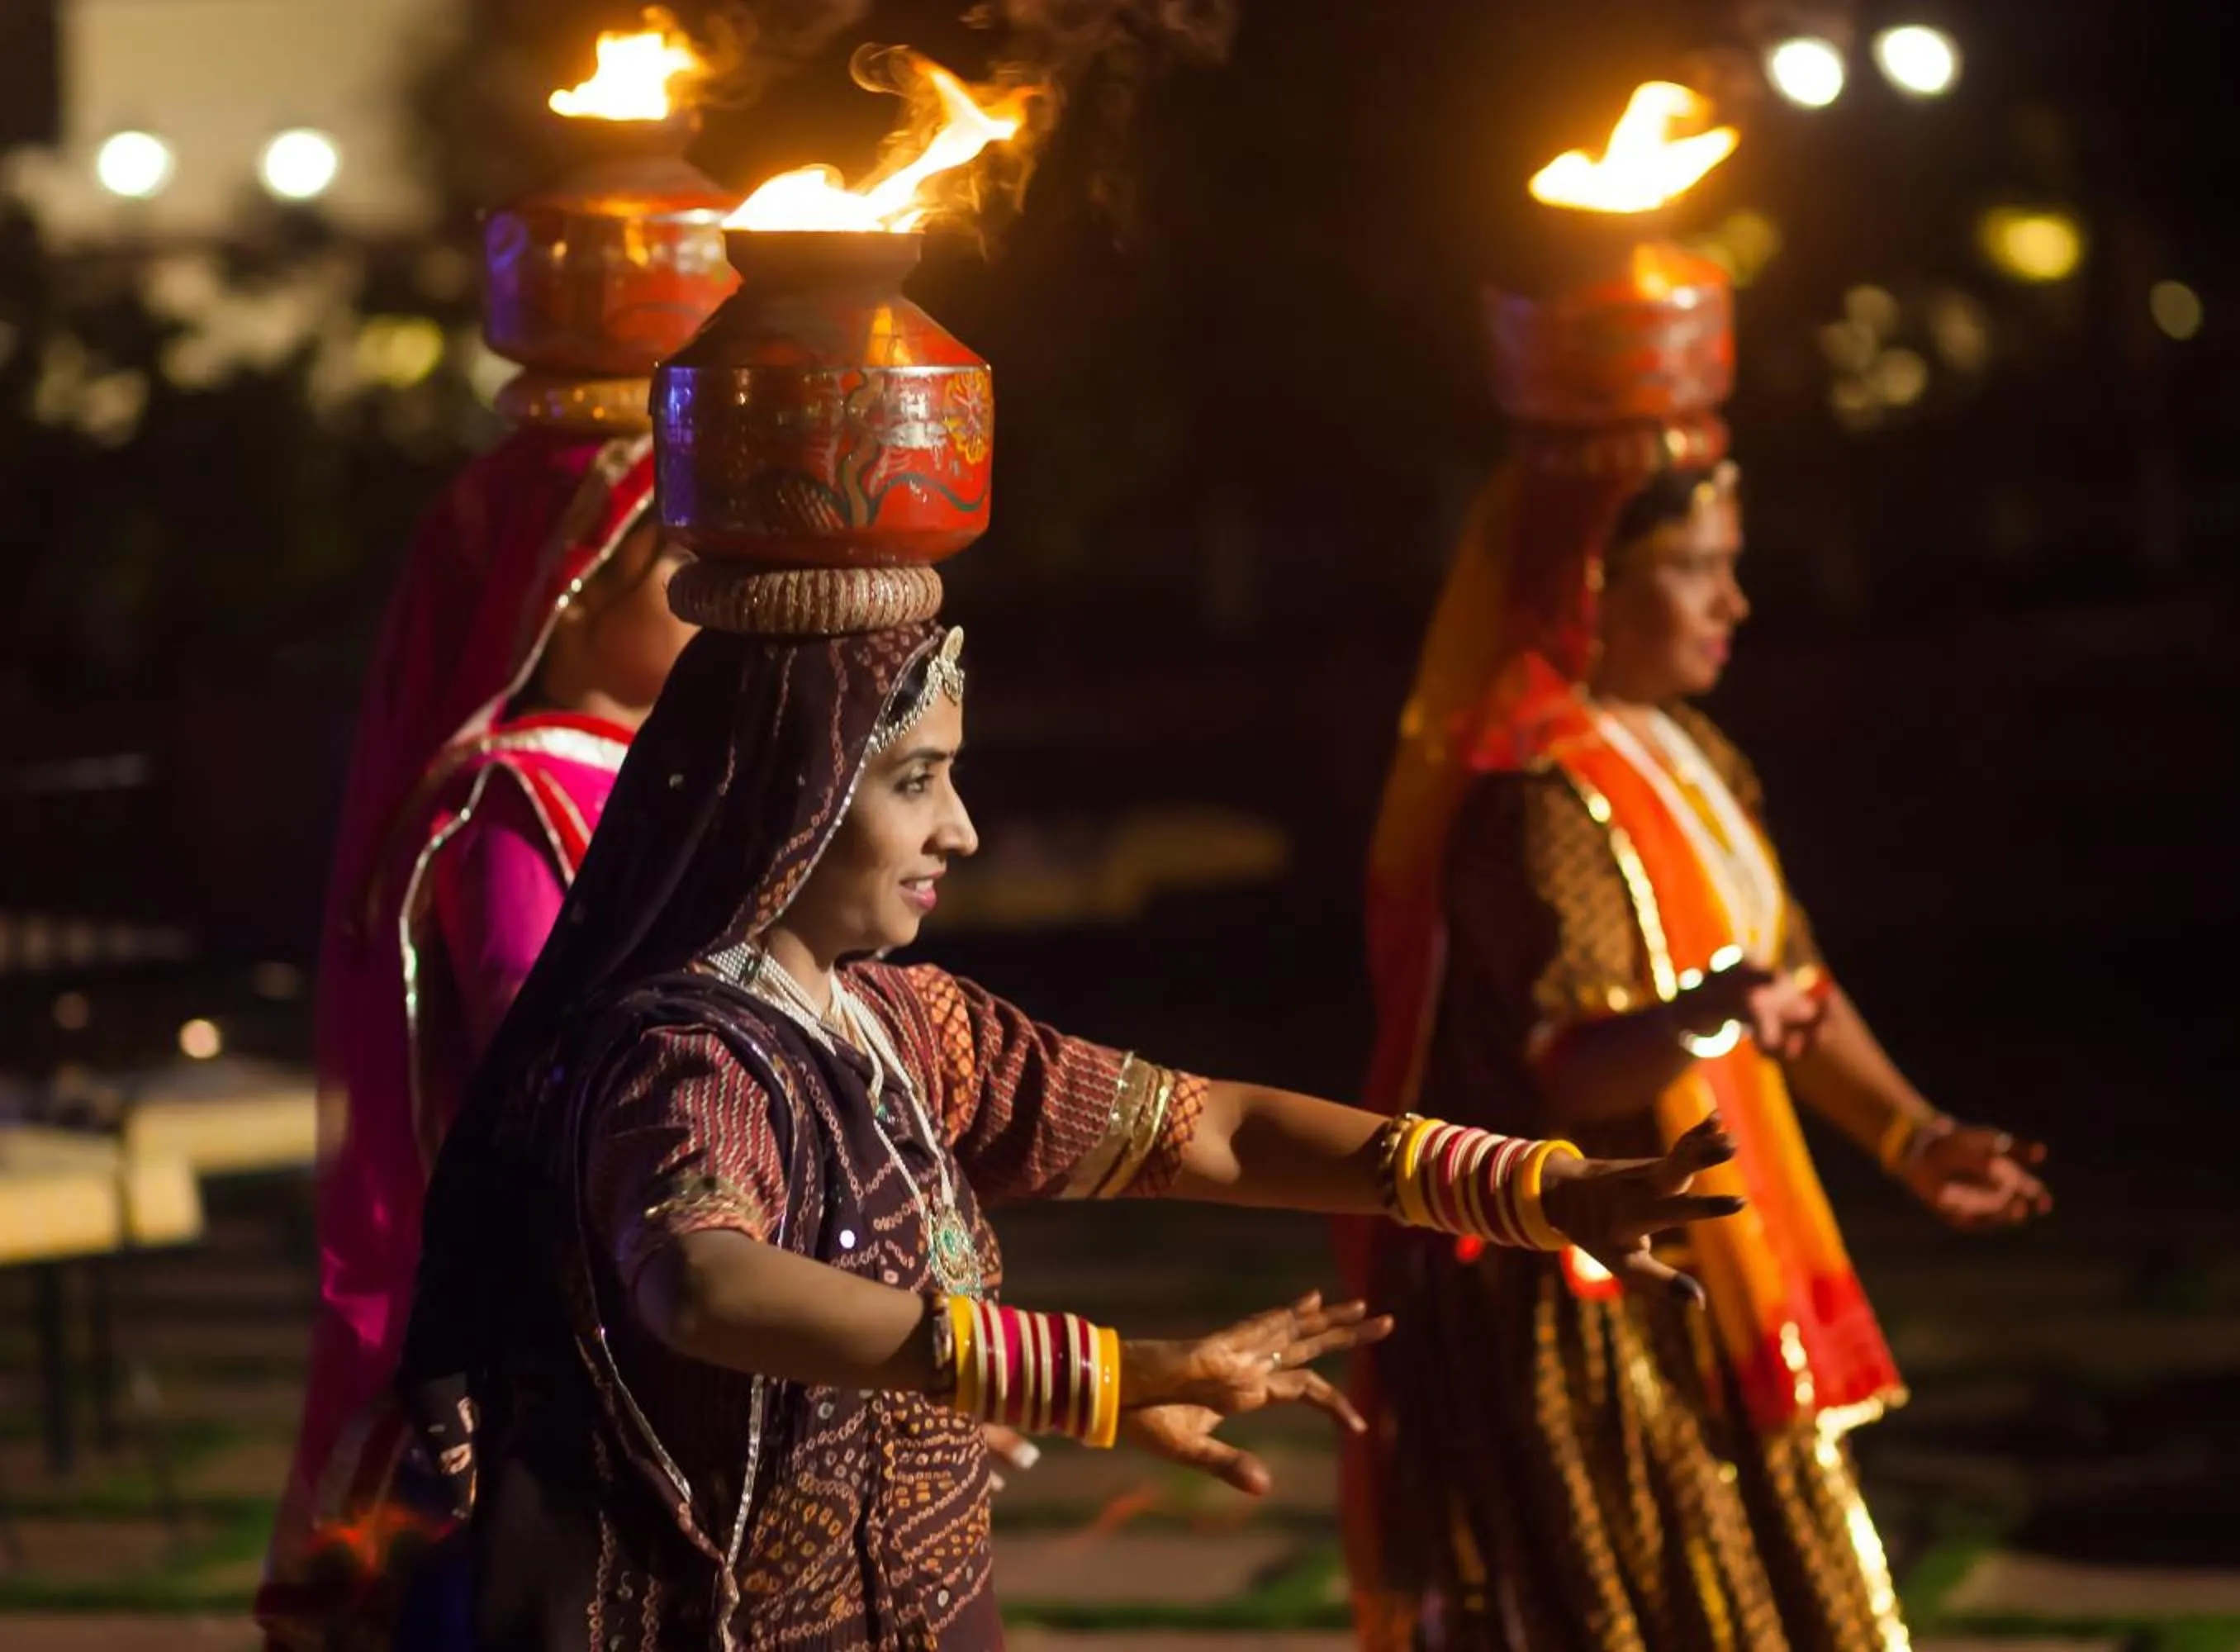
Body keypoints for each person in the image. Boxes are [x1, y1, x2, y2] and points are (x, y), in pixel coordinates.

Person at [396, 573, 1750, 1650]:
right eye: (917, 779)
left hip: (923, 1605)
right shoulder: (687, 1055)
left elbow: (1206, 1128)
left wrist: (1524, 1186)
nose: (963, 829)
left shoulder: (912, 1027)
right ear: (788, 795)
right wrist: (1099, 1376)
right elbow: (701, 1284)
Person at [1344, 458, 2053, 1651]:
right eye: (1700, 569)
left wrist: (1913, 1136)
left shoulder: (1696, 761)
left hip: (1729, 1259)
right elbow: (1560, 1072)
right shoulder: (1540, 801)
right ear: (1592, 589)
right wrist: (1705, 1016)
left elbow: (1797, 985)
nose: (1737, 602)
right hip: (1602, 1296)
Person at [260, 430, 695, 1650]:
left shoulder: (674, 776)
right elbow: (527, 1021)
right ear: (568, 591)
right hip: (561, 1254)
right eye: (677, 553)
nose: (719, 577)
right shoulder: (510, 790)